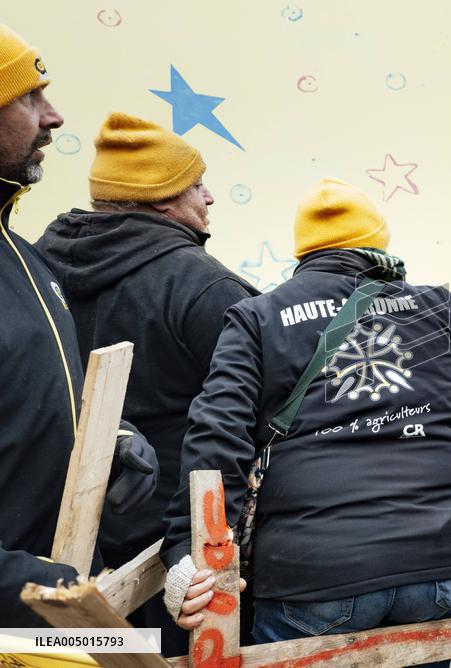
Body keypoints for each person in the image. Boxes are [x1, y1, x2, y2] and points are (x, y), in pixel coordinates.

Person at [158, 177, 451, 667]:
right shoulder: (431, 306)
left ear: (305, 250)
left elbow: (216, 439)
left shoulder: (258, 318)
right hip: (432, 572)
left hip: (314, 579)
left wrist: (187, 553)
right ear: (376, 242)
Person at [35, 112, 257, 651]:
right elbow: (270, 408)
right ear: (162, 199)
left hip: (62, 551)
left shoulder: (38, 268)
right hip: (180, 558)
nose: (209, 198)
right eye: (197, 185)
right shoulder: (208, 289)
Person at [0, 25, 157, 627]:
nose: (54, 117)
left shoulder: (26, 259)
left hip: (52, 619)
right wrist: (22, 583)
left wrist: (109, 441)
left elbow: (31, 407)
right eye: (28, 97)